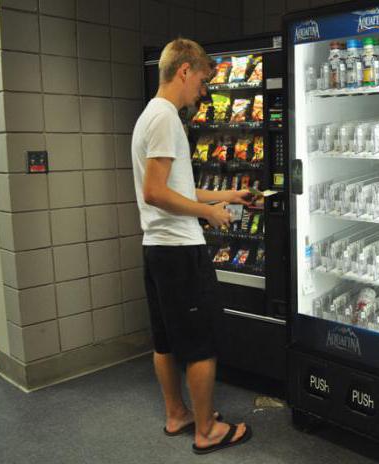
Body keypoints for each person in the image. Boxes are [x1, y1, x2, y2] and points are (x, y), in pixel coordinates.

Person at [131, 38, 252, 455]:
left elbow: (173, 187)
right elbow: (154, 192)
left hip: (156, 247)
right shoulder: (166, 119)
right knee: (202, 343)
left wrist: (228, 197)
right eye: (202, 80)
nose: (203, 90)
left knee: (164, 340)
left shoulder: (150, 115)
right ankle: (207, 431)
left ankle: (177, 414)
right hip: (180, 249)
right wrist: (208, 214)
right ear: (184, 70)